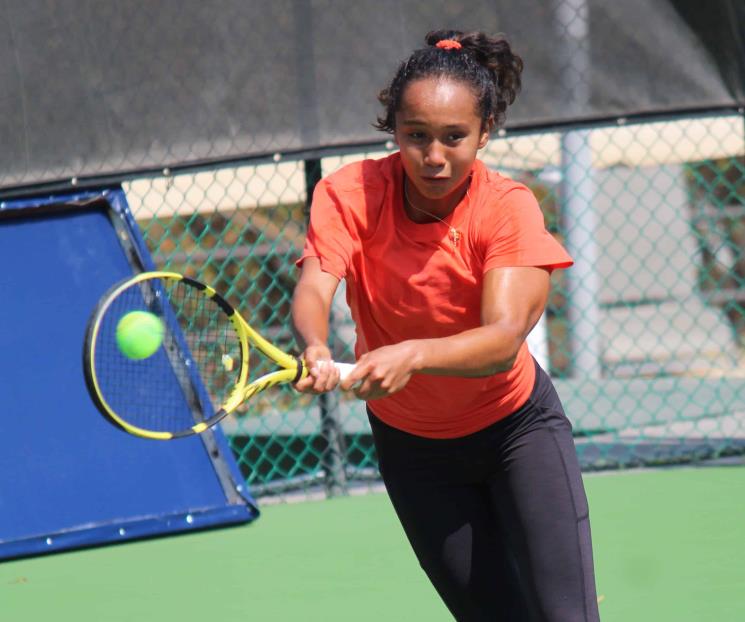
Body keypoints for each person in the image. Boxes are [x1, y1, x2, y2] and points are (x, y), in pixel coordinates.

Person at [291, 29, 600, 622]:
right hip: (414, 453)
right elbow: (313, 285)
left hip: (517, 434)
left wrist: (411, 354)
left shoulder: (507, 207)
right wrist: (313, 343)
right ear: (393, 130)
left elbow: (502, 340)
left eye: (454, 137)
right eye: (416, 137)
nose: (434, 156)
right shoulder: (349, 194)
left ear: (484, 133)